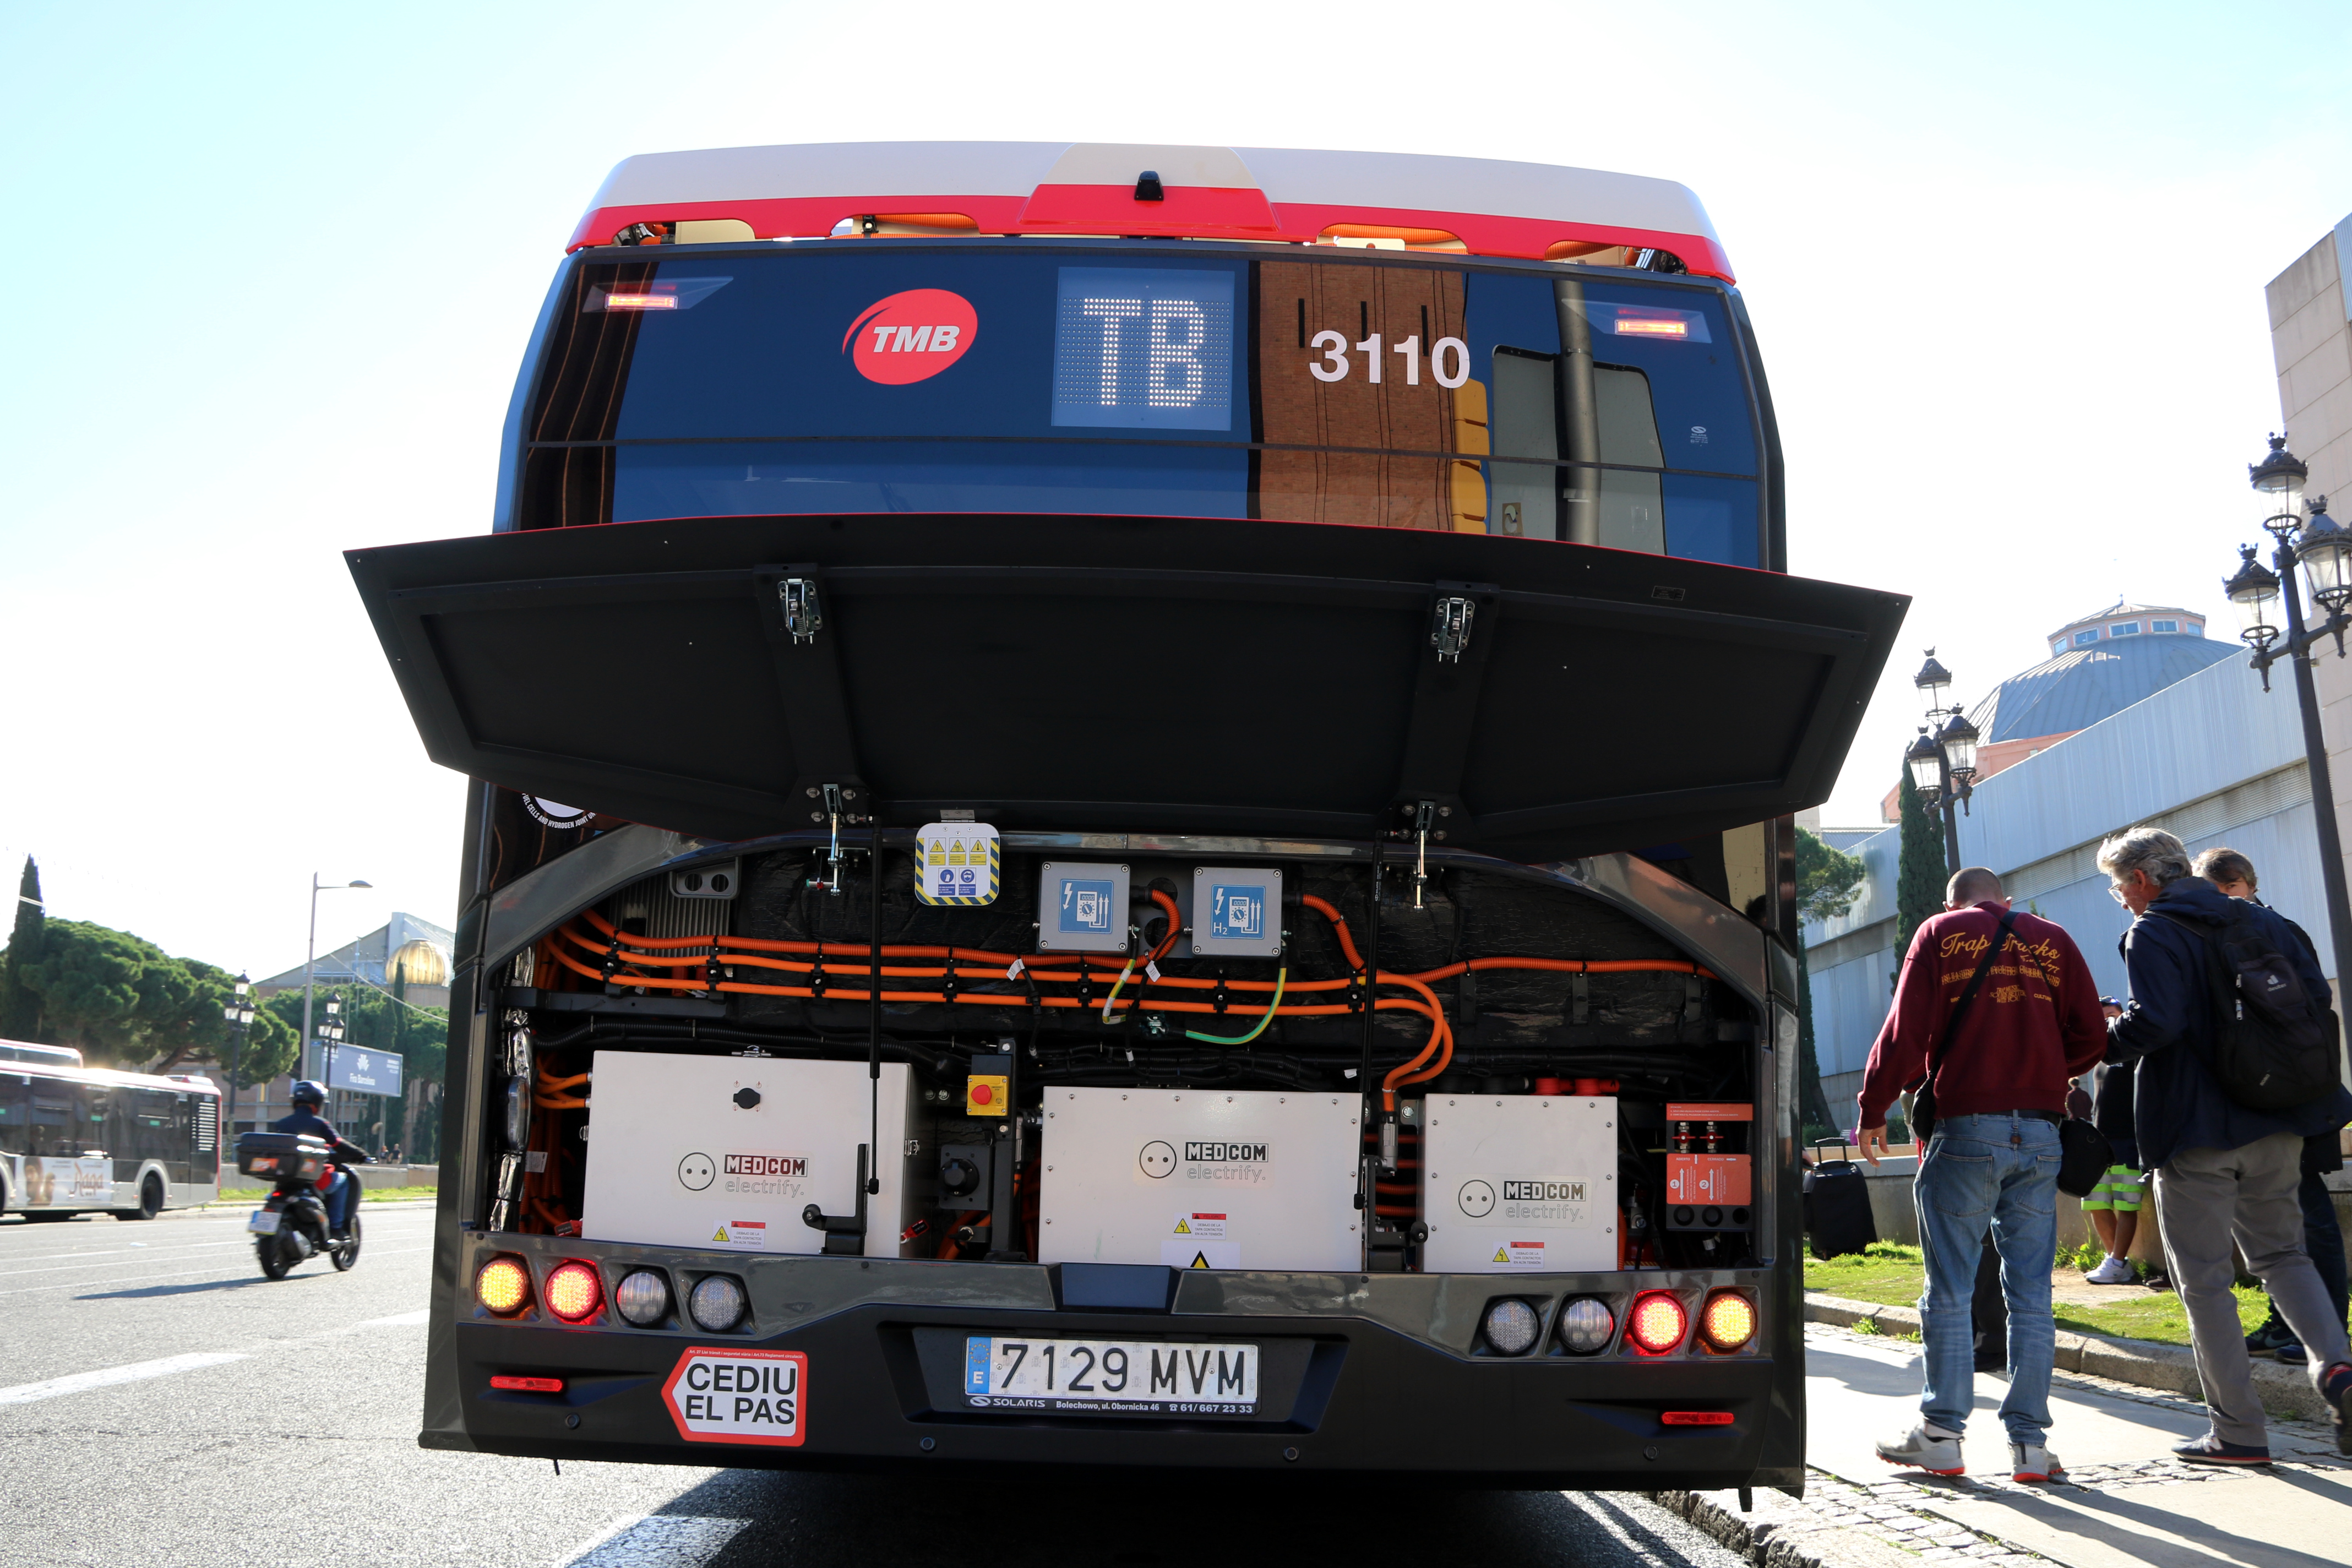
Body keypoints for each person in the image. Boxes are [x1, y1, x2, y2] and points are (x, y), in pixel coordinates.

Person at [2101, 827, 2352, 1462]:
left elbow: (2157, 1022)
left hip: (2196, 1131)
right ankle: (2339, 1368)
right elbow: (2317, 1004)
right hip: (2277, 1121)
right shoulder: (2268, 923)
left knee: (2206, 1282)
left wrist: (2102, 1040)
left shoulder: (2154, 930)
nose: (2120, 898)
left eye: (2117, 885)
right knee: (2286, 1257)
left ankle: (2238, 1431)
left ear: (2142, 881)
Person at [1858, 865, 2110, 1483]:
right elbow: (2092, 1034)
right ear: (2006, 900)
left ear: (1953, 902)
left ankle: (1942, 1434)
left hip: (1968, 1126)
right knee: (2031, 1295)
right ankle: (2030, 1446)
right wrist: (2047, 1071)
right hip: (2043, 1131)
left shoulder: (1940, 933)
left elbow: (1905, 1032)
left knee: (1948, 1287)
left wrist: (1873, 1107)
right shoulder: (2052, 939)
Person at [2187, 847, 2350, 1366]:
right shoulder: (2259, 930)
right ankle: (2289, 1323)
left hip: (2289, 1091)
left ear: (2243, 885)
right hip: (2271, 1091)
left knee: (2308, 1215)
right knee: (2277, 1223)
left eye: (2224, 892)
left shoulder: (2272, 930)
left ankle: (2328, 1334)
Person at [273, 1081, 369, 1240]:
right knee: (343, 1182)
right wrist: (361, 1154)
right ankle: (336, 1228)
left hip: (285, 1179)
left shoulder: (281, 1124)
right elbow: (338, 1144)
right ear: (318, 1101)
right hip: (313, 1178)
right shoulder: (320, 1123)